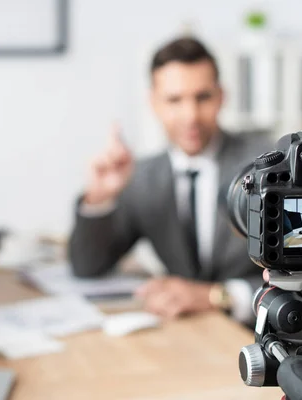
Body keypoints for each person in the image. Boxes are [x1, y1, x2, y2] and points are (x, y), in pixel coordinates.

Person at [68, 36, 268, 324]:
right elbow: (88, 266)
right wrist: (99, 199)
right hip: (184, 333)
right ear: (154, 103)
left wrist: (216, 295)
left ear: (221, 96)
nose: (190, 116)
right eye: (174, 100)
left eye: (203, 97)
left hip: (258, 338)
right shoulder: (141, 176)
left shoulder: (270, 167)